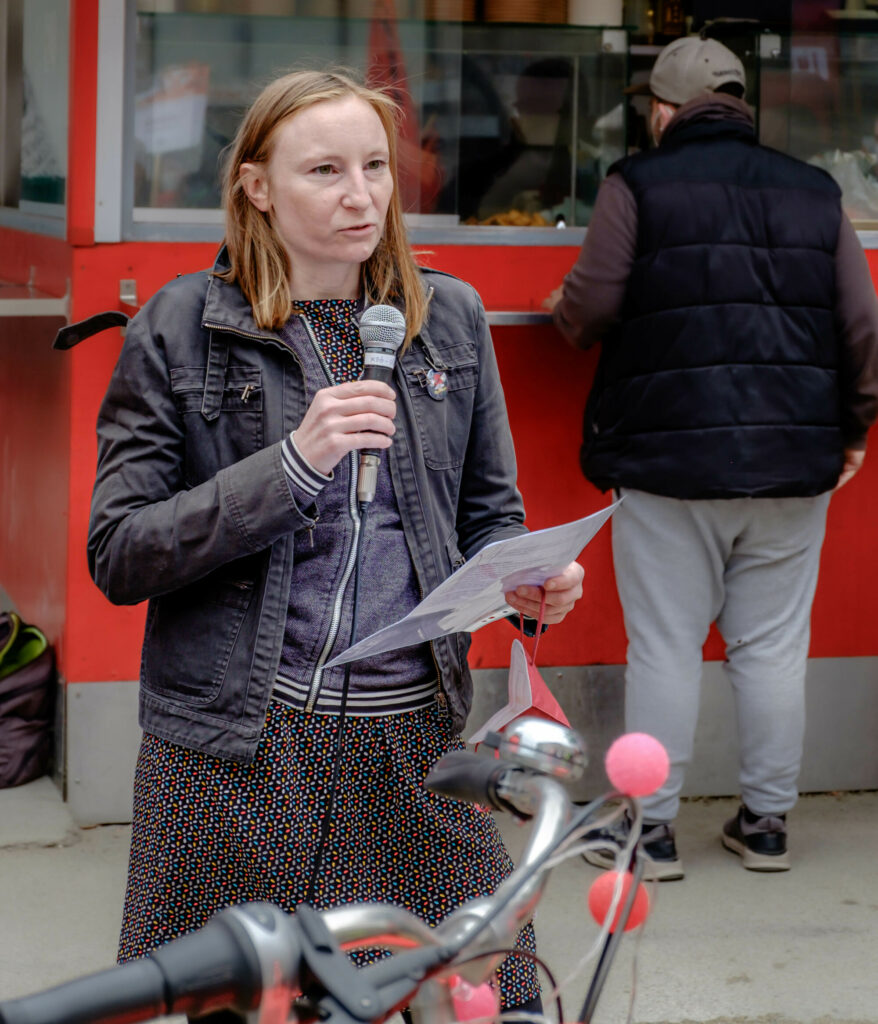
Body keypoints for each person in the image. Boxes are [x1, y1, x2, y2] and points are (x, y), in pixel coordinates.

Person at [87, 69, 584, 1010]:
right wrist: (294, 465)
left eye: (375, 167)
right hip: (239, 748)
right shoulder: (185, 328)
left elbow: (490, 514)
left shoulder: (450, 319)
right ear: (256, 185)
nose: (362, 196)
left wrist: (531, 580)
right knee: (242, 1001)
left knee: (483, 997)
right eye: (324, 170)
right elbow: (120, 551)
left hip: (413, 744)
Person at [546, 36, 878, 879]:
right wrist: (851, 429)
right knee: (771, 650)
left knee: (664, 645)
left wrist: (568, 316)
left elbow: (590, 304)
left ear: (662, 111)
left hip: (667, 463)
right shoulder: (815, 192)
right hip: (793, 463)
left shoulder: (636, 184)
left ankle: (650, 834)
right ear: (739, 102)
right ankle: (766, 825)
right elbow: (862, 327)